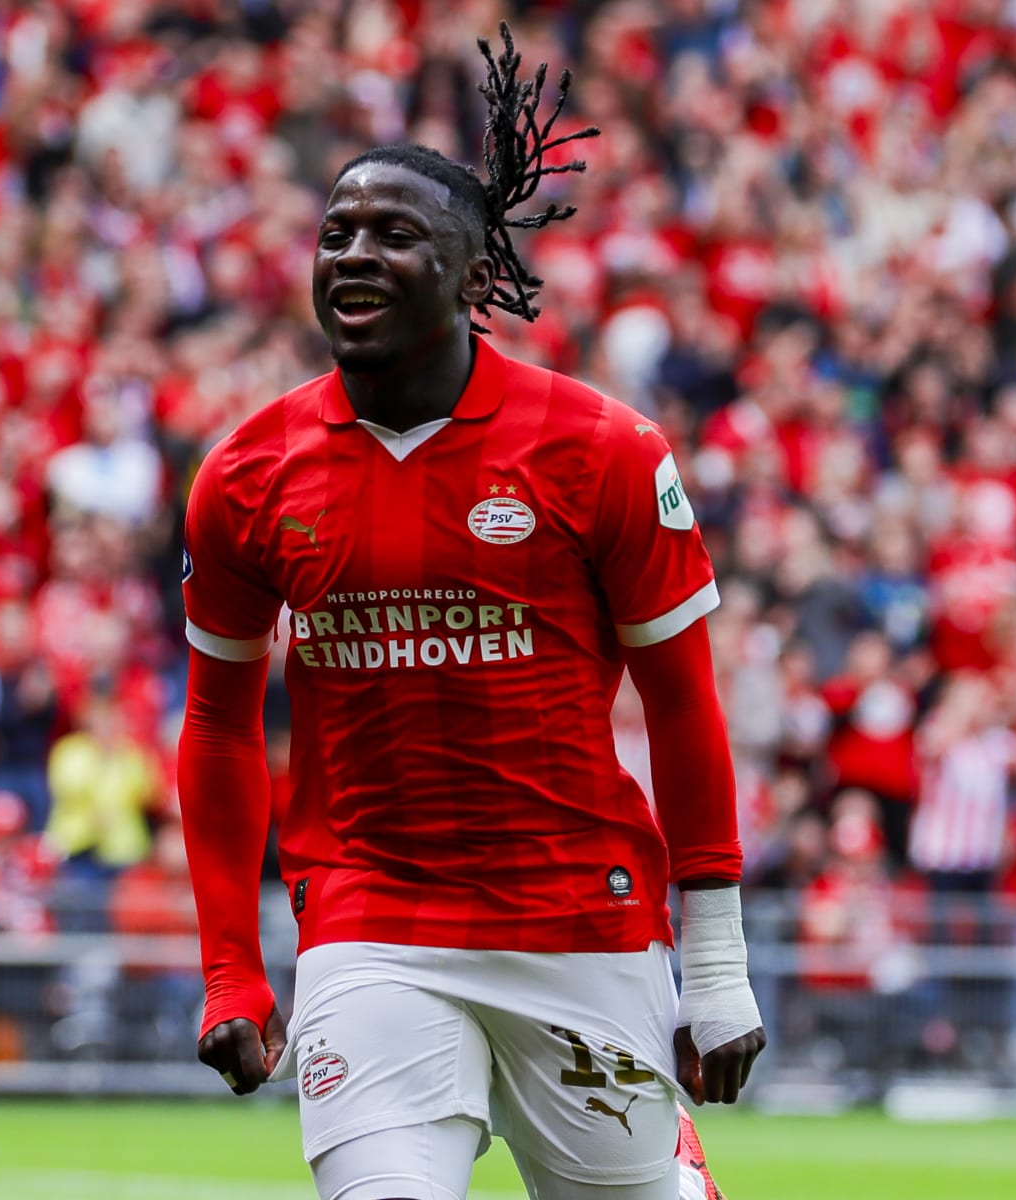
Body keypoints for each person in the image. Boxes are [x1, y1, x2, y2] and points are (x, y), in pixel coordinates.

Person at [177, 28, 762, 1200]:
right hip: (368, 918)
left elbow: (685, 707)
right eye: (336, 233)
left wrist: (718, 961)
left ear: (471, 271)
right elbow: (221, 728)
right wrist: (233, 967)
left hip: (577, 918)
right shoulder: (246, 474)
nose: (354, 253)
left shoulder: (599, 449)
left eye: (396, 235)